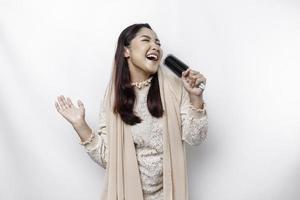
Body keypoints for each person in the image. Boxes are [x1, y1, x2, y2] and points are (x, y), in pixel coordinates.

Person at [55, 23, 208, 200]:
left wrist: (196, 98)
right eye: (146, 40)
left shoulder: (174, 87)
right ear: (126, 51)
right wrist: (80, 126)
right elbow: (109, 159)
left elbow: (195, 138)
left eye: (158, 43)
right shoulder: (113, 97)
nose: (156, 46)